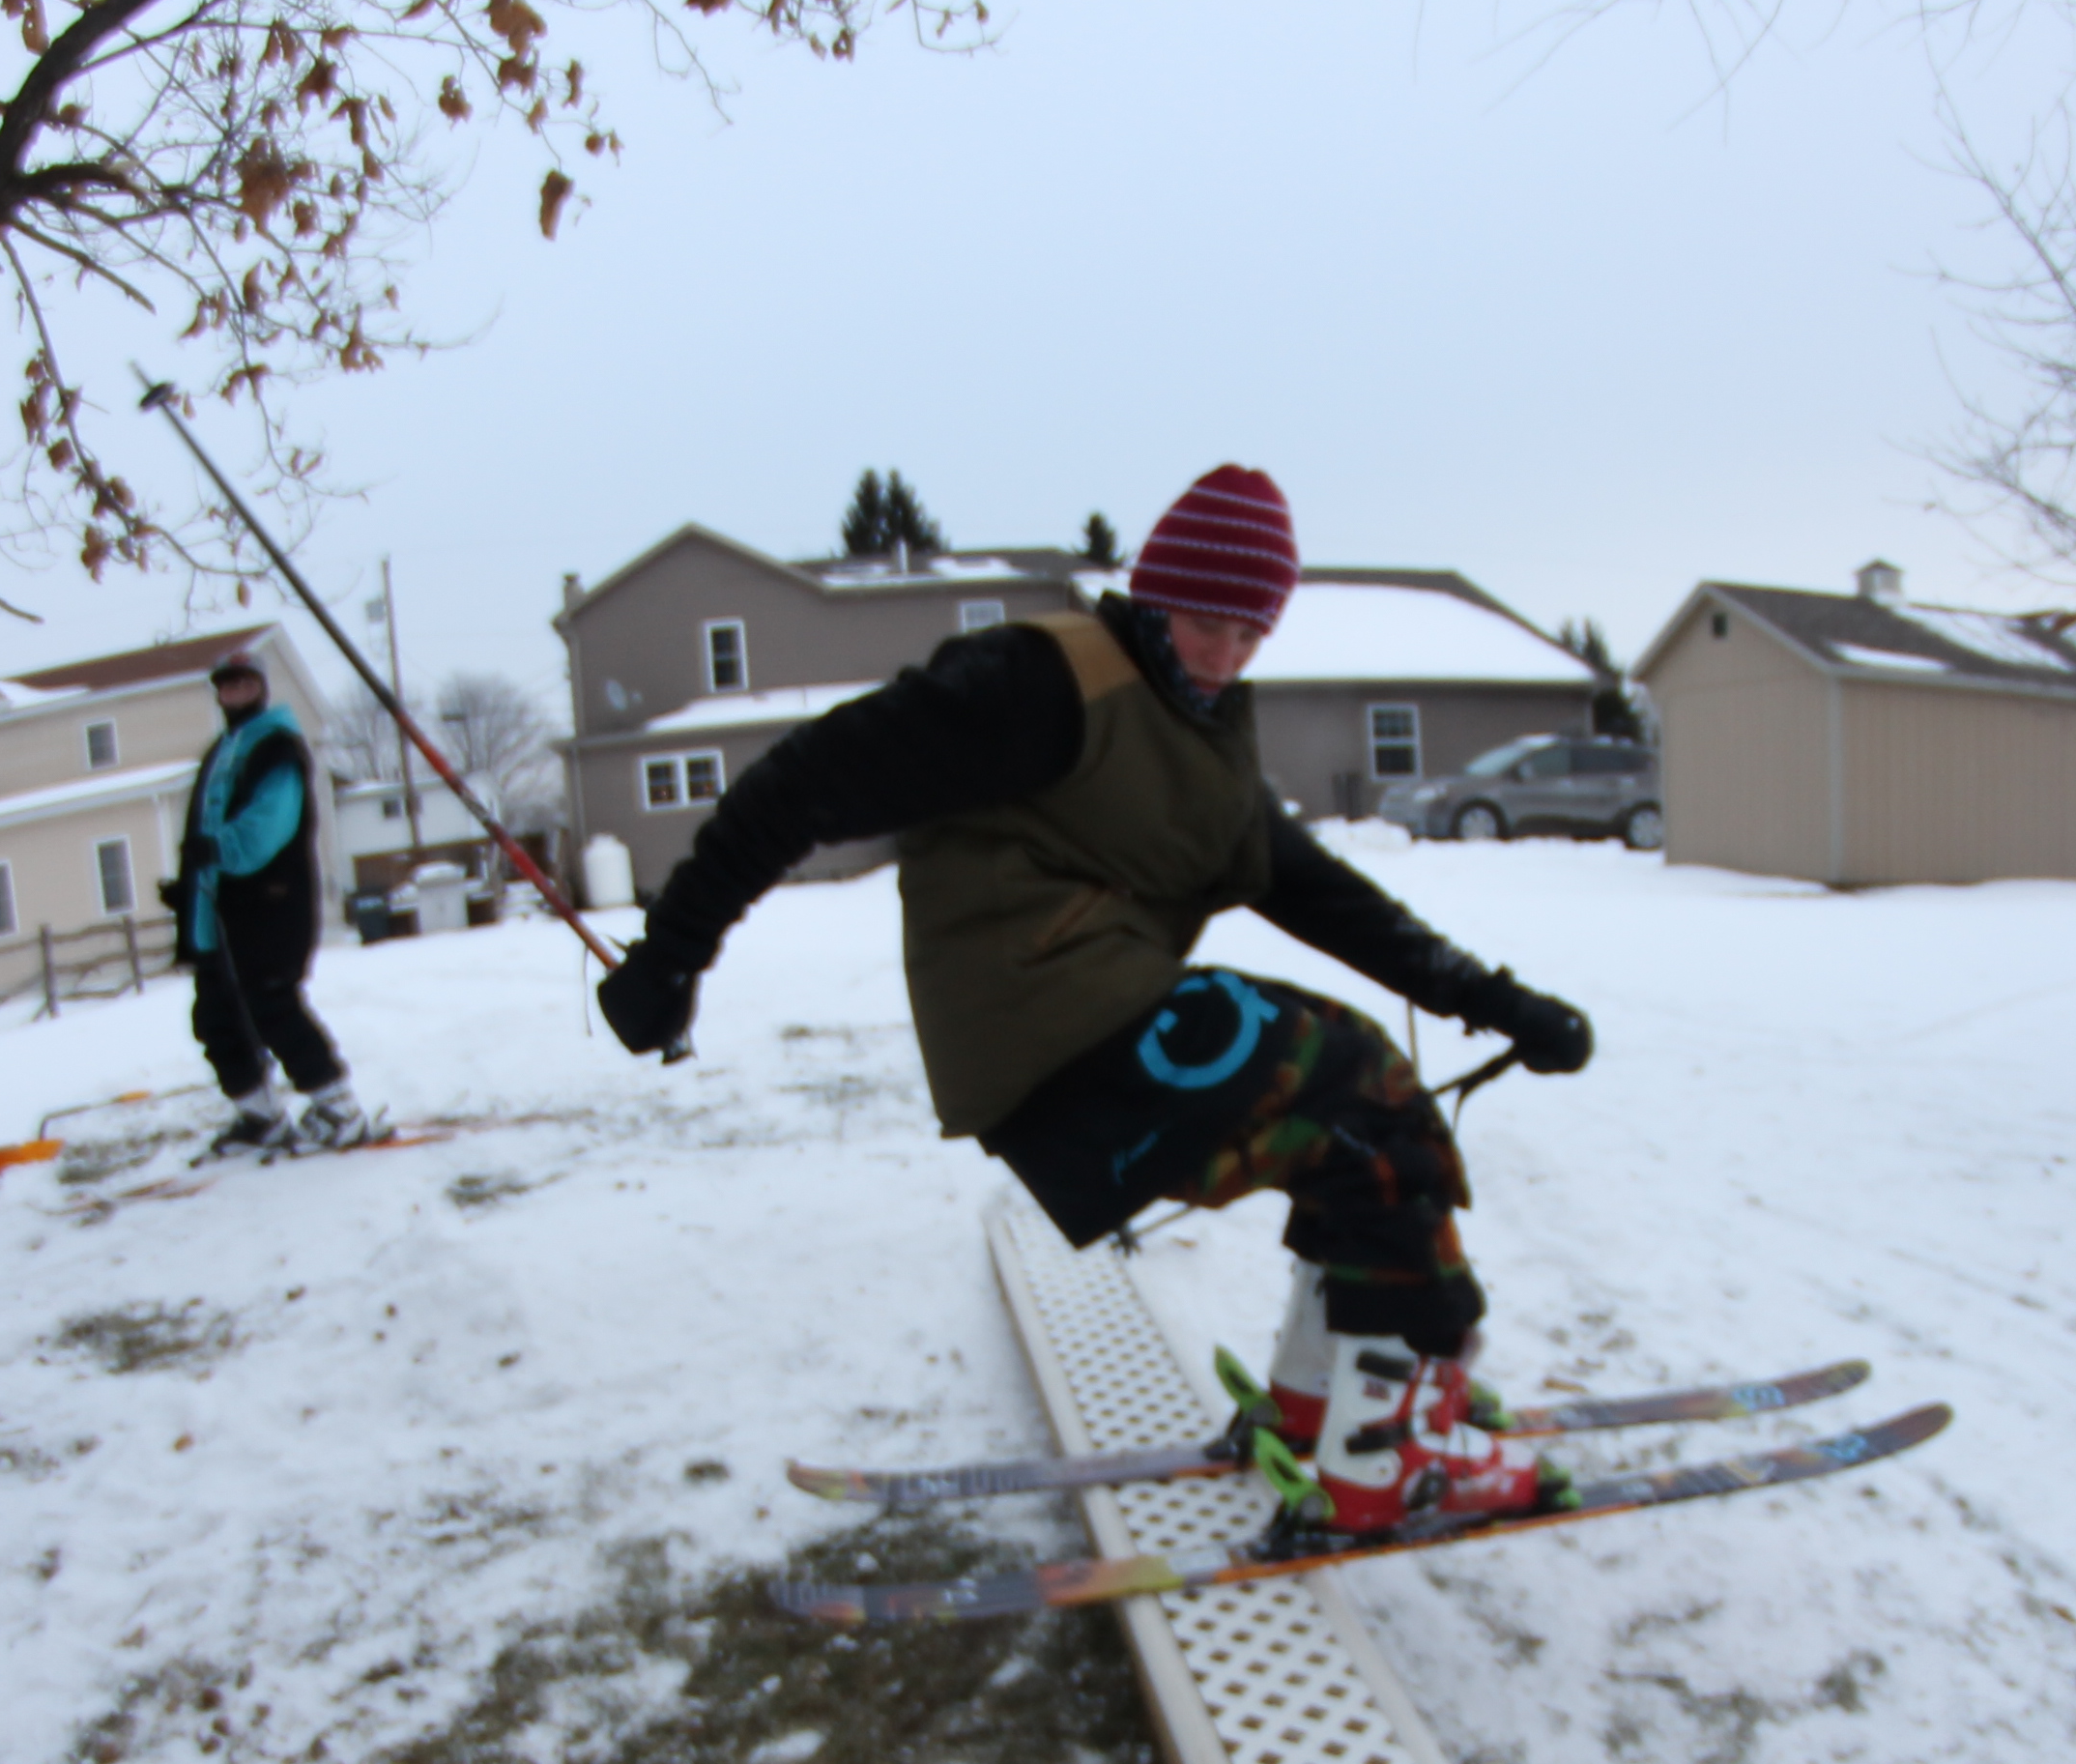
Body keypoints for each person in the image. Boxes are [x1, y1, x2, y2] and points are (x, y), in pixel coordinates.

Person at [594, 465, 1597, 1535]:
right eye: (1206, 622)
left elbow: (1319, 891)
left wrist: (1494, 999)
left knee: (1363, 1093)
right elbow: (801, 780)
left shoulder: (1199, 737)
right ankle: (1385, 1454)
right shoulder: (1038, 682)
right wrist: (674, 950)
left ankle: (1327, 1399)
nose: (1222, 657)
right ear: (1157, 590)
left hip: (1098, 1014)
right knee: (1362, 1101)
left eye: (1251, 635)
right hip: (1050, 1022)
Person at [171, 650, 367, 1158]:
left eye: (243, 684)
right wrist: (190, 886)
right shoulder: (224, 749)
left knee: (272, 1005)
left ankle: (339, 1107)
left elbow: (268, 825)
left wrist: (220, 850)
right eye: (226, 685)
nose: (234, 692)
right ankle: (259, 1114)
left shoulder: (275, 748)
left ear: (260, 687)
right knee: (216, 1015)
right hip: (218, 914)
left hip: (268, 907)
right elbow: (204, 830)